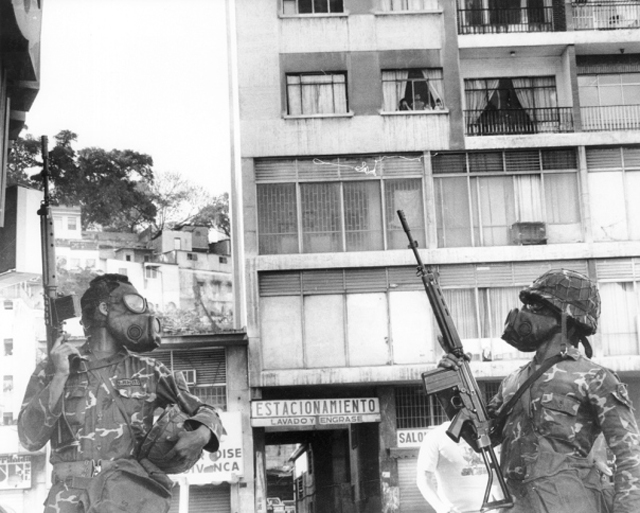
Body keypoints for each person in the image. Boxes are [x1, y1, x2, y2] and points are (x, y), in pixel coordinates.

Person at [18, 273, 225, 513]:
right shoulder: (55, 366)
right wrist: (60, 376)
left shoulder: (149, 371)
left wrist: (202, 433)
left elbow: (205, 411)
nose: (141, 314)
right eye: (132, 304)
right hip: (67, 499)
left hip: (125, 498)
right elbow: (29, 439)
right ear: (104, 308)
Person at [438, 269, 640, 513]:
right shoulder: (512, 381)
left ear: (565, 317)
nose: (524, 313)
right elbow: (482, 440)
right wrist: (450, 388)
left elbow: (630, 455)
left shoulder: (595, 378)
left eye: (536, 306)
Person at [417, 420, 493, 513]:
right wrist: (442, 509)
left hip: (489, 510)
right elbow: (423, 478)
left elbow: (496, 478)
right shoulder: (436, 436)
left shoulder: (487, 434)